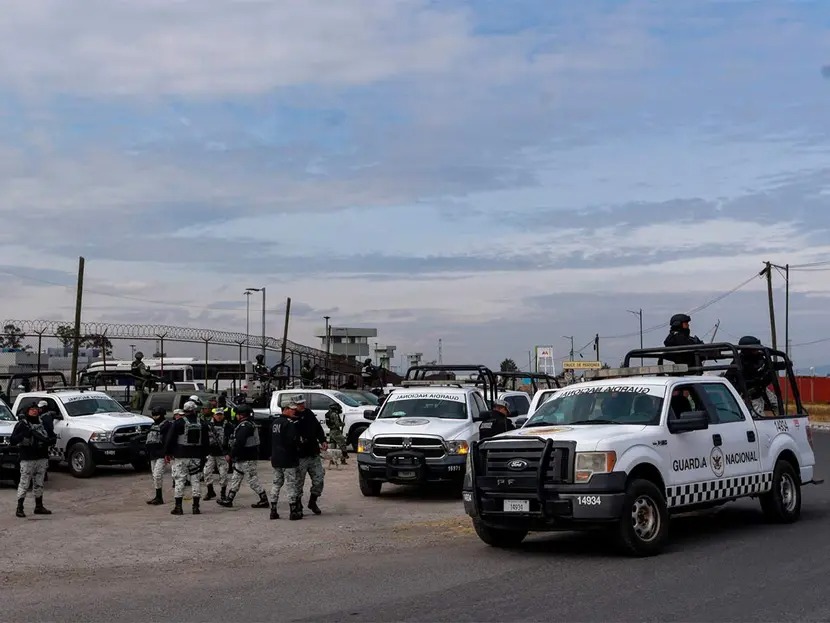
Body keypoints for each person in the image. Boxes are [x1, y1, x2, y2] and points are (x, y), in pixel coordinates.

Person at [217, 404, 269, 509]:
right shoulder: (247, 424)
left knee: (252, 479)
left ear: (241, 415)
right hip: (243, 458)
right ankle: (229, 499)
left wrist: (231, 455)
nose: (236, 416)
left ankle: (264, 499)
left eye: (237, 414)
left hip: (248, 458)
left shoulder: (245, 426)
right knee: (236, 478)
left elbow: (239, 443)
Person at [164, 401, 209, 515]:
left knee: (180, 480)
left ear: (184, 410)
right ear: (195, 410)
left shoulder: (178, 423)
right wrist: (204, 456)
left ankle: (178, 507)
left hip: (181, 455)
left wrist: (167, 453)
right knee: (195, 480)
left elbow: (170, 439)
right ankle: (196, 507)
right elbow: (206, 442)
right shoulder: (202, 423)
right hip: (197, 456)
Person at [11, 403, 56, 517]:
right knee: (24, 484)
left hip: (41, 457)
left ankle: (39, 506)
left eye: (36, 409)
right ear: (27, 411)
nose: (34, 411)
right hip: (27, 458)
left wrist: (51, 440)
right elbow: (13, 440)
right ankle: (19, 508)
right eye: (32, 409)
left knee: (39, 483)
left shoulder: (43, 423)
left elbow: (51, 435)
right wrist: (23, 435)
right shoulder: (22, 424)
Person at [725, 335, 779, 416]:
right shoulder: (739, 362)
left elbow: (766, 369)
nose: (757, 351)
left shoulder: (759, 358)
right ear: (747, 350)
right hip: (749, 393)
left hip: (760, 388)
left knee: (776, 403)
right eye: (754, 349)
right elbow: (731, 380)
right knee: (757, 415)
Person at [294, 396, 327, 515]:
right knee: (298, 482)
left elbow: (318, 428)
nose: (301, 405)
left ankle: (313, 501)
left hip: (313, 453)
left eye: (302, 403)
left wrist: (323, 440)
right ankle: (297, 504)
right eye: (299, 404)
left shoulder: (309, 413)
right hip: (301, 455)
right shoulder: (293, 416)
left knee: (319, 479)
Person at [269, 402, 302, 520]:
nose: (294, 411)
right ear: (286, 409)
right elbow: (293, 441)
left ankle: (273, 510)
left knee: (276, 484)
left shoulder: (275, 423)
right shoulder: (289, 424)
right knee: (291, 484)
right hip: (288, 459)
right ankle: (293, 511)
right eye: (292, 409)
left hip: (276, 458)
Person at [203, 408, 233, 501]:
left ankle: (223, 493)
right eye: (217, 414)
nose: (219, 416)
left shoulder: (228, 425)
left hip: (222, 454)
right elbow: (203, 438)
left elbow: (232, 440)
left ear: (223, 415)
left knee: (223, 474)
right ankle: (210, 491)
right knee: (206, 472)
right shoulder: (208, 425)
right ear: (214, 415)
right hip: (210, 453)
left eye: (220, 414)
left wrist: (229, 453)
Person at [145, 406, 171, 505]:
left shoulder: (167, 425)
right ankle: (158, 496)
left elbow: (169, 440)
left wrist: (168, 453)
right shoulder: (153, 425)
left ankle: (159, 497)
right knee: (155, 476)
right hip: (153, 454)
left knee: (157, 475)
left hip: (162, 454)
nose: (155, 417)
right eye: (154, 415)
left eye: (157, 415)